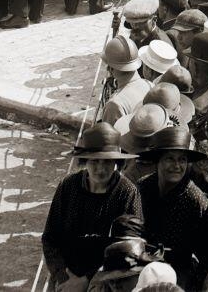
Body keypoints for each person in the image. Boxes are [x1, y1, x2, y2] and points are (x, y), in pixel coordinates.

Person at [41, 122, 140, 287]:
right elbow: (50, 238)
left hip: (107, 278)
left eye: (107, 162)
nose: (101, 169)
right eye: (95, 161)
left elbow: (131, 249)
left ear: (116, 162)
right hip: (66, 275)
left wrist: (87, 280)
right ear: (84, 161)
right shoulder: (68, 186)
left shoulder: (127, 193)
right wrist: (63, 277)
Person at [135, 124, 208, 286]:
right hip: (140, 266)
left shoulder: (197, 201)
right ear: (157, 161)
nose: (177, 166)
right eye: (170, 158)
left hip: (178, 275)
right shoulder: (142, 187)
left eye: (182, 160)